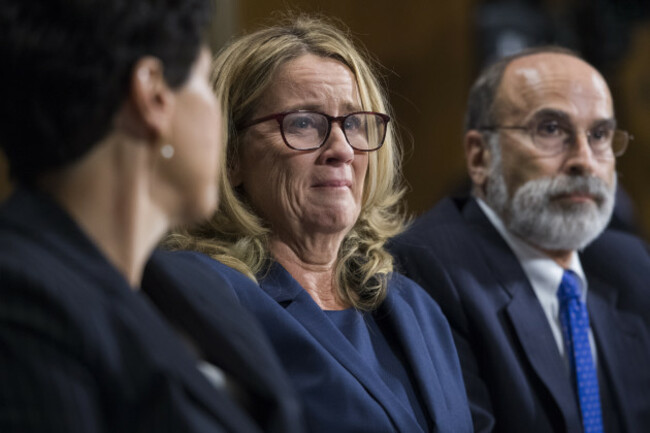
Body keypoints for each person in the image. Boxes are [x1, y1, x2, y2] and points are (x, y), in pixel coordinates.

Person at [146, 15, 472, 433]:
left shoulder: (418, 308)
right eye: (303, 122)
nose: (342, 149)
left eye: (354, 123)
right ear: (230, 156)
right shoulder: (203, 294)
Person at [0, 1, 302, 432]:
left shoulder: (199, 287)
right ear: (153, 96)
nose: (219, 123)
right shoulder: (19, 298)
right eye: (204, 81)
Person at [390, 46, 650, 433]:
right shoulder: (426, 268)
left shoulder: (628, 263)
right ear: (480, 157)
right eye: (550, 129)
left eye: (599, 134)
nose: (584, 158)